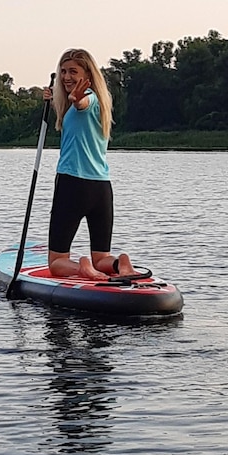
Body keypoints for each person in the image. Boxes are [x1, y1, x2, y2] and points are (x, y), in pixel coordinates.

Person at [43, 48, 137, 281]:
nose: (66, 76)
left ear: (88, 74)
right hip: (101, 188)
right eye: (63, 71)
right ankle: (119, 264)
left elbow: (81, 103)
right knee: (101, 256)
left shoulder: (86, 100)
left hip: (72, 185)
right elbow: (76, 110)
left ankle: (82, 269)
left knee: (56, 262)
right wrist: (54, 99)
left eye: (73, 71)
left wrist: (77, 100)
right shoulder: (101, 103)